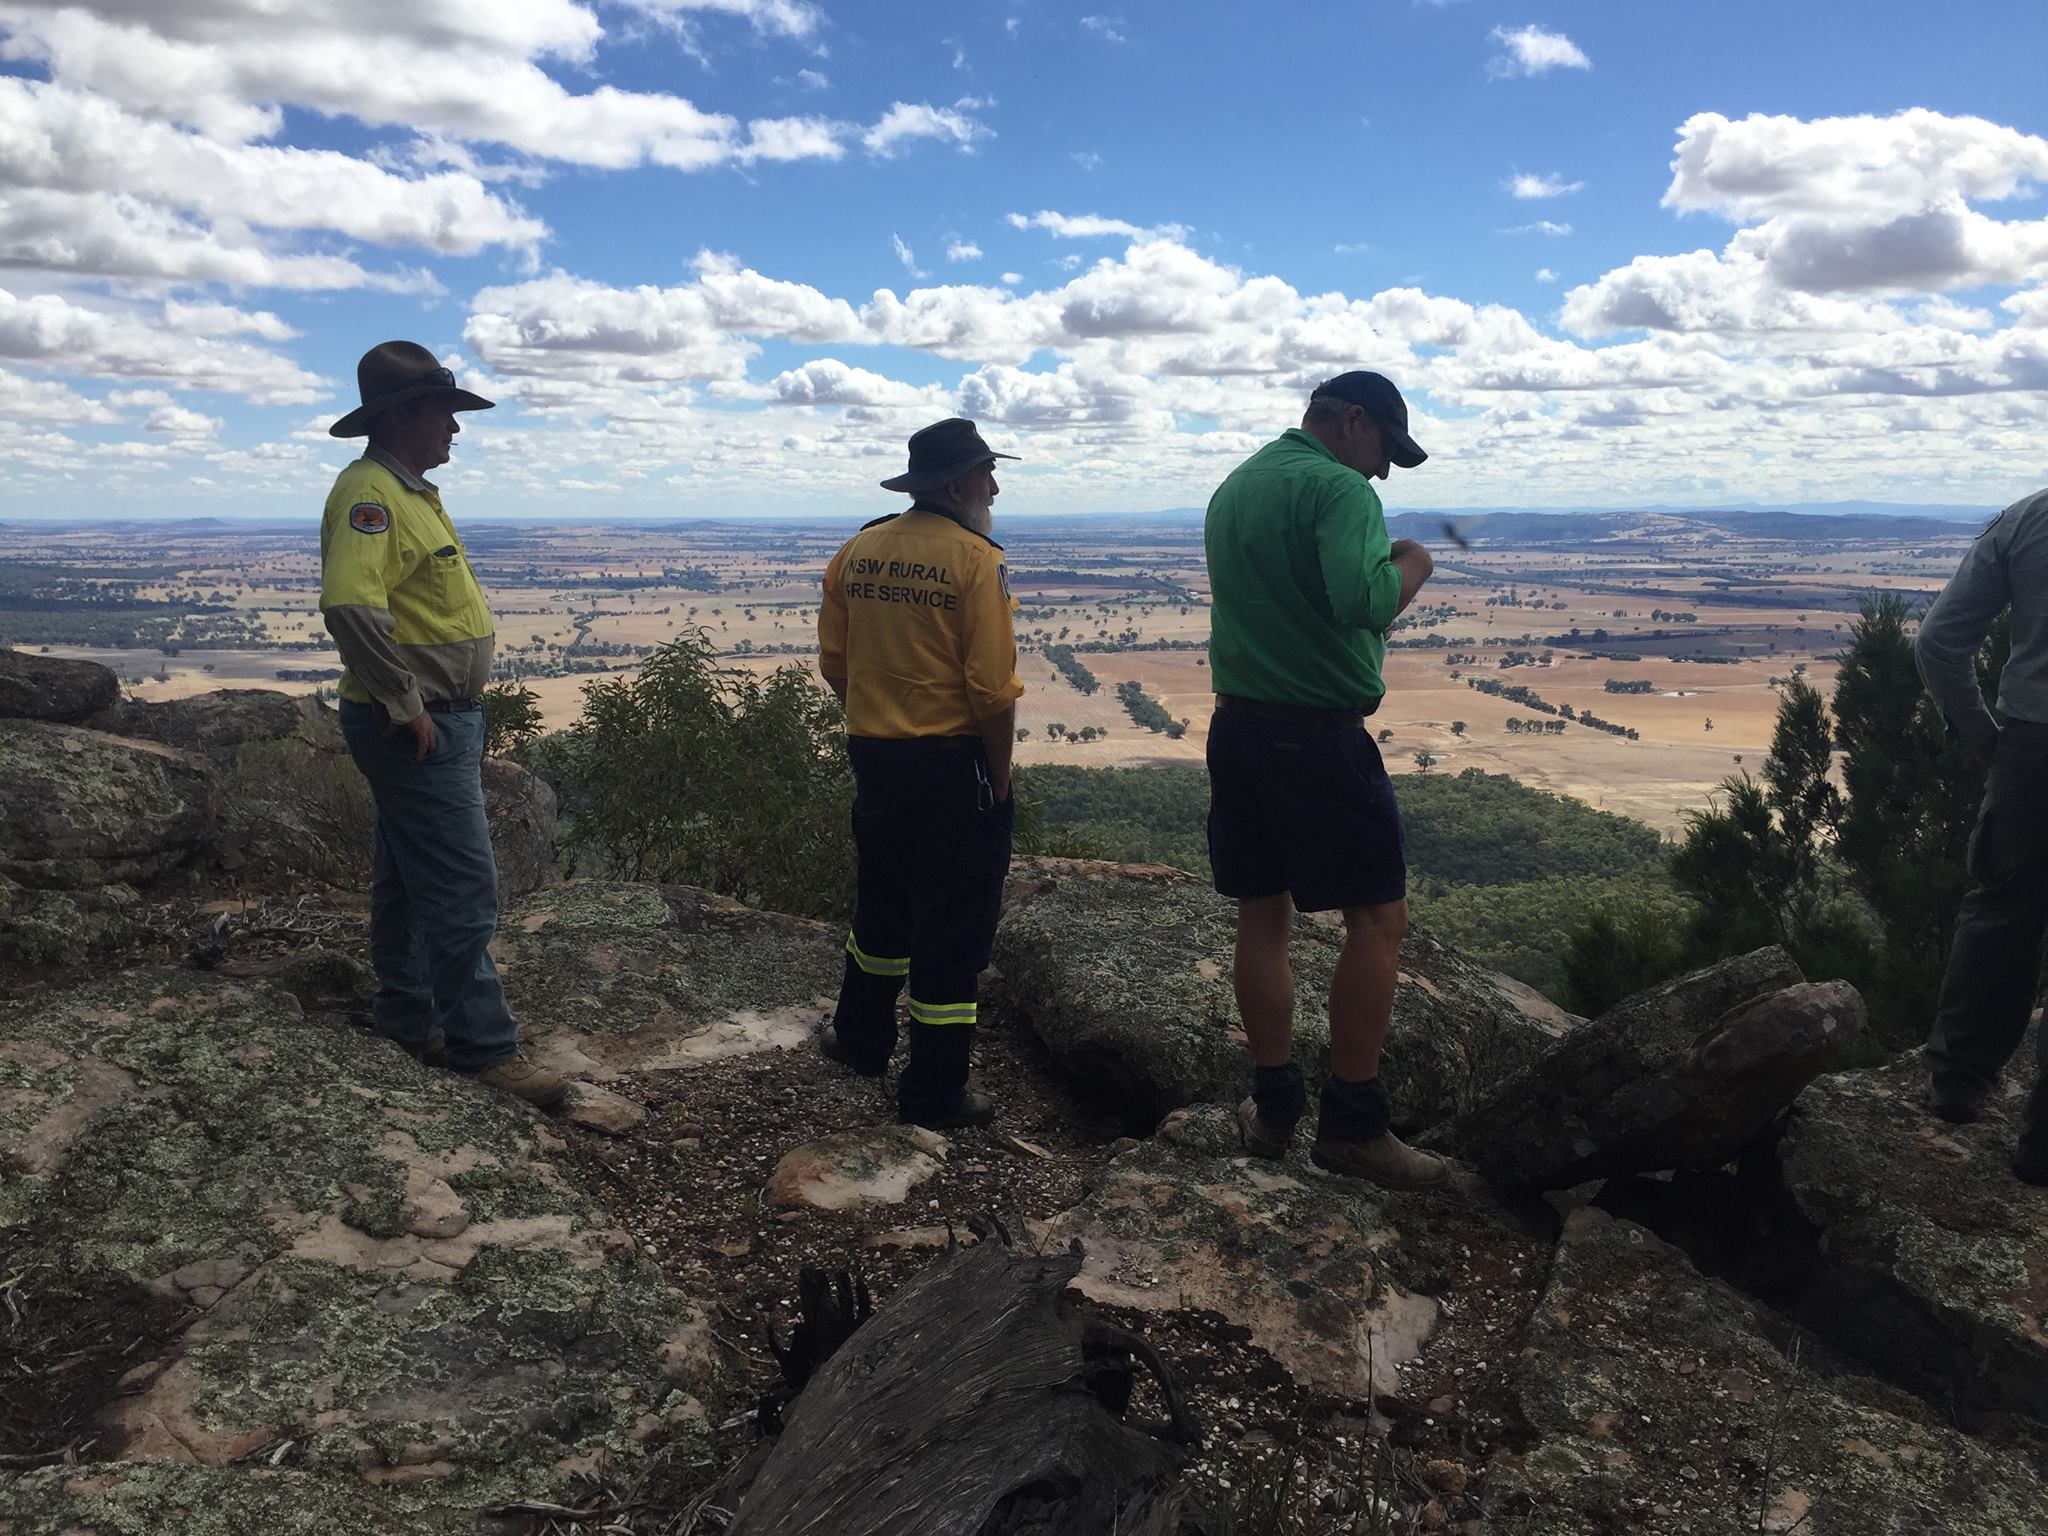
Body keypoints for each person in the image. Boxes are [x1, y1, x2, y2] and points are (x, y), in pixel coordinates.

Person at [1204, 371, 1445, 1188]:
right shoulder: (1340, 490)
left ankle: (1273, 1112)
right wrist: (1414, 562)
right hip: (1315, 737)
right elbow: (1363, 601)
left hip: (1236, 727)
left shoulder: (1238, 485)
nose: (1380, 473)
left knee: (1261, 914)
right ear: (1352, 422)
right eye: (1383, 451)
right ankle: (1353, 1125)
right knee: (1378, 920)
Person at [318, 340, 566, 1108]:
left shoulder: (408, 490)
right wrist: (405, 702)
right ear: (399, 415)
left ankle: (406, 1018)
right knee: (463, 887)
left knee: (405, 878)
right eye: (443, 413)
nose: (455, 430)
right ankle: (485, 1048)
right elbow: (352, 604)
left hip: (435, 719)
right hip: (415, 724)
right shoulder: (372, 493)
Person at [815, 418, 1024, 1129]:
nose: (994, 487)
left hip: (874, 755)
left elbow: (836, 666)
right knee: (952, 925)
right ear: (961, 483)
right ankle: (934, 1093)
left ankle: (860, 1039)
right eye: (988, 473)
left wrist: (879, 723)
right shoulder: (974, 560)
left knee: (882, 901)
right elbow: (992, 691)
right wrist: (998, 782)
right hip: (951, 763)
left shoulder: (859, 549)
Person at [1914, 485, 2048, 1183]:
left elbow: (1939, 639)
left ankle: (1959, 1083)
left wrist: (1980, 736)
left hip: (2031, 753)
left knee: (2001, 913)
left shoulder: (2027, 519)